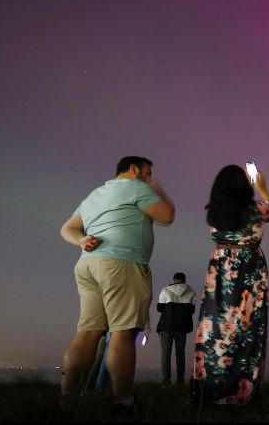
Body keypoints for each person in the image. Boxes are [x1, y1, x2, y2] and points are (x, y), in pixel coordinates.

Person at [59, 156, 175, 413]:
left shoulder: (94, 195)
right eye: (146, 172)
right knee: (123, 333)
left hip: (88, 265)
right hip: (122, 263)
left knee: (88, 333)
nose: (148, 177)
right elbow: (167, 215)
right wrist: (157, 189)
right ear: (133, 169)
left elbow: (67, 229)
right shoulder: (138, 187)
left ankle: (68, 402)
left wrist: (81, 240)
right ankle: (124, 401)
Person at [190, 164, 269, 406]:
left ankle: (210, 388)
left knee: (216, 327)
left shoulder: (213, 212)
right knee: (249, 328)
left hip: (221, 270)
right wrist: (262, 187)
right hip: (250, 270)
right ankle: (241, 390)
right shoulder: (257, 209)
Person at [157, 272, 196, 384]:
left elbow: (159, 308)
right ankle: (180, 381)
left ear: (174, 280)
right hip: (182, 327)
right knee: (180, 355)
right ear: (184, 280)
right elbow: (191, 311)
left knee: (165, 354)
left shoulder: (165, 290)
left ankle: (166, 381)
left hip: (166, 327)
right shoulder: (192, 292)